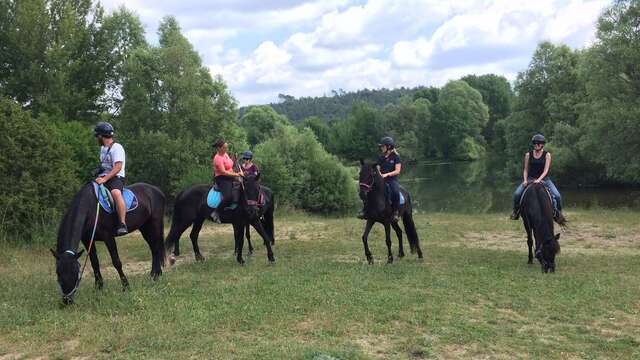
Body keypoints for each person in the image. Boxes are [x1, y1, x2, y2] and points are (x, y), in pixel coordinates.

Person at [510, 134, 565, 223]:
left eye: (538, 143)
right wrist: (525, 180)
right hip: (530, 178)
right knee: (517, 194)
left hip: (544, 179)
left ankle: (558, 213)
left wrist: (539, 180)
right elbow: (525, 169)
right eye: (534, 143)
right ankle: (516, 212)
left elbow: (546, 170)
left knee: (557, 196)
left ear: (542, 144)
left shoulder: (547, 155)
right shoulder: (528, 155)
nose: (536, 145)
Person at [94, 122, 128, 236]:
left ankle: (122, 223)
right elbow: (105, 166)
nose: (96, 138)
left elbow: (118, 167)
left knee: (116, 193)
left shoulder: (117, 148)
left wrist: (105, 179)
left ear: (101, 136)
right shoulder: (103, 149)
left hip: (116, 177)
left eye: (97, 136)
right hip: (103, 177)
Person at [211, 140, 243, 223]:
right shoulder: (217, 158)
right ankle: (216, 212)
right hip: (222, 178)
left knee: (244, 185)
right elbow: (223, 172)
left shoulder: (225, 154)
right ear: (219, 148)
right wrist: (237, 174)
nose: (226, 149)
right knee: (228, 196)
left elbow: (230, 164)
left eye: (227, 147)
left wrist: (233, 159)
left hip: (230, 176)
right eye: (224, 147)